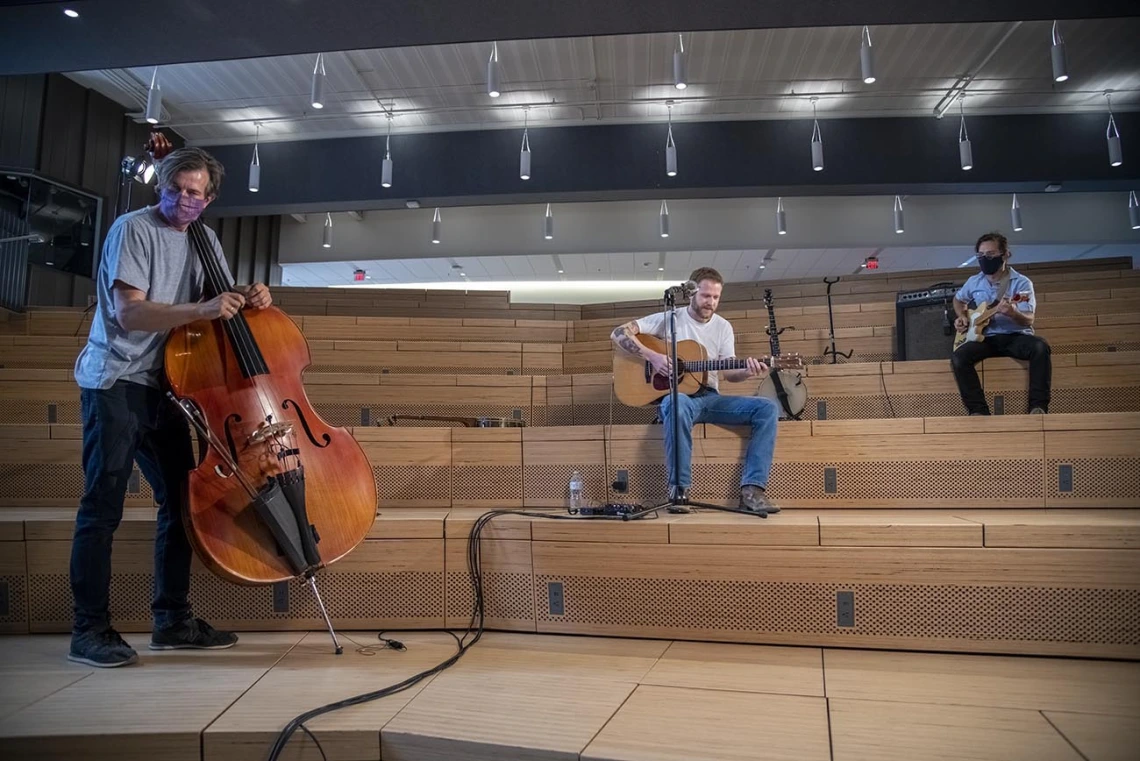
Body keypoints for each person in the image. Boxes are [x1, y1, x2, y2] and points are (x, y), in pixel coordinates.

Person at [69, 147, 273, 667]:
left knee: (182, 501)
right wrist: (204, 306)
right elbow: (130, 314)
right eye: (173, 188)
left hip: (167, 388)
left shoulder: (204, 239)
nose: (182, 199)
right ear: (161, 187)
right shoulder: (133, 230)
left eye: (193, 192)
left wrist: (248, 297)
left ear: (208, 199)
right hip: (114, 381)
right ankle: (88, 631)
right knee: (102, 507)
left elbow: (219, 307)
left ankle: (172, 621)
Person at [611, 267, 781, 515]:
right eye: (705, 295)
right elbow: (618, 332)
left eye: (715, 297)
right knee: (676, 403)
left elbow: (730, 373)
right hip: (679, 399)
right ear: (691, 293)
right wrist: (654, 357)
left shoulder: (723, 327)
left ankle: (752, 491)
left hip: (710, 399)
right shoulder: (670, 319)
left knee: (767, 408)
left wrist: (747, 370)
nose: (710, 302)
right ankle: (679, 490)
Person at [950, 232, 1051, 416]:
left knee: (1040, 347)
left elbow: (1029, 319)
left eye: (990, 255)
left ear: (1005, 255)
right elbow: (958, 301)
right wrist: (962, 316)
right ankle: (978, 411)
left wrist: (1013, 313)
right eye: (981, 256)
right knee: (959, 358)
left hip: (1016, 337)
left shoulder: (1021, 283)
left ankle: (1038, 407)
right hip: (986, 338)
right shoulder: (974, 282)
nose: (985, 259)